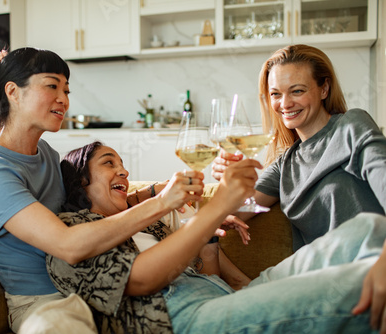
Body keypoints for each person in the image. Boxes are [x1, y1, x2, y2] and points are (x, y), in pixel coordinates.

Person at [0, 47, 205, 333]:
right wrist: (161, 203)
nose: (63, 99)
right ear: (13, 92)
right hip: (47, 303)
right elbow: (67, 244)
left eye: (66, 90)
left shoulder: (45, 153)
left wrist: (152, 193)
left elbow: (85, 210)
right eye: (52, 86)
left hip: (90, 288)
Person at [41, 141, 386, 334]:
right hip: (181, 318)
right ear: (80, 180)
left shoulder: (146, 223)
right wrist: (217, 205)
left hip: (220, 296)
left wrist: (208, 231)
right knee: (360, 284)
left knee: (370, 228)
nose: (124, 171)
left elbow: (209, 273)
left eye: (122, 162)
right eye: (108, 163)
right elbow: (143, 280)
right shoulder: (69, 231)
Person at [212, 44, 386, 333]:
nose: (285, 103)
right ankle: (241, 288)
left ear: (324, 89)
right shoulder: (285, 163)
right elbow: (235, 214)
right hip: (313, 279)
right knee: (222, 315)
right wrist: (226, 180)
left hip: (365, 262)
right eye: (276, 94)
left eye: (297, 90)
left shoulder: (352, 126)